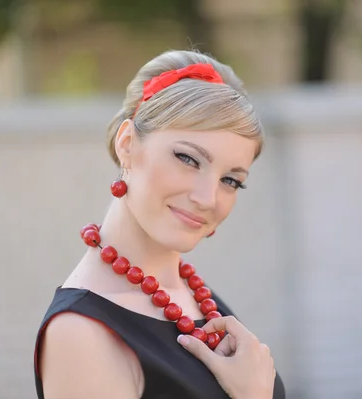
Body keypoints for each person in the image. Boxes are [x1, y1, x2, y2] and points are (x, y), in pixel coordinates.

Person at [33, 49, 286, 399]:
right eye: (187, 158)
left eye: (231, 180)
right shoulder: (81, 333)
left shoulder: (195, 294)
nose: (207, 198)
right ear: (127, 144)